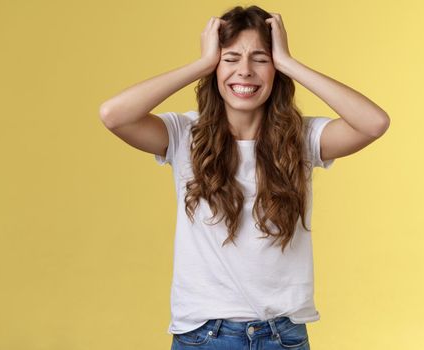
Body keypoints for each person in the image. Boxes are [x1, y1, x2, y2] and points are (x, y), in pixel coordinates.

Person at [99, 5, 390, 350]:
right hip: (204, 337)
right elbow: (113, 115)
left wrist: (290, 63)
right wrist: (201, 64)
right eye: (231, 58)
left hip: (283, 337)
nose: (245, 71)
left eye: (261, 59)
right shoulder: (185, 135)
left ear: (276, 69)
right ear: (214, 67)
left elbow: (374, 123)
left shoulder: (302, 139)